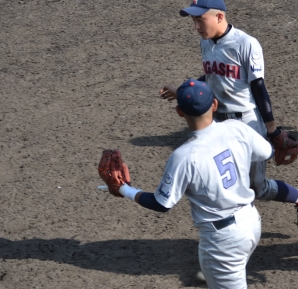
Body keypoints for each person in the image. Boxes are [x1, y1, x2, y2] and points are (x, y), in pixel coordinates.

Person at [160, 0, 298, 230]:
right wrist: (184, 88)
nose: (196, 27)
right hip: (217, 124)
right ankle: (234, 233)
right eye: (193, 21)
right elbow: (213, 77)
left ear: (219, 17)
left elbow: (259, 88)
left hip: (246, 125)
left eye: (200, 20)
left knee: (257, 188)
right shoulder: (205, 42)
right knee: (223, 182)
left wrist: (272, 130)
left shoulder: (246, 44)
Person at [105, 79, 273, 288]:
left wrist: (124, 189)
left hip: (223, 241)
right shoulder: (237, 128)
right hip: (251, 222)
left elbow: (161, 203)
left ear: (179, 112)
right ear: (214, 104)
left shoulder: (184, 156)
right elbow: (267, 152)